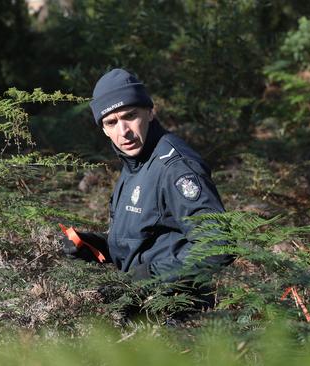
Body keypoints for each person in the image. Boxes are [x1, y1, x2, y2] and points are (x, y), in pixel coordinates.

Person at [63, 68, 232, 282]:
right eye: (111, 122)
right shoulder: (135, 160)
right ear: (104, 129)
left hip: (177, 308)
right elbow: (148, 241)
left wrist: (152, 275)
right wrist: (93, 246)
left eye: (130, 116)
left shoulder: (176, 167)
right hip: (143, 303)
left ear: (150, 112)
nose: (123, 131)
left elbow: (218, 245)